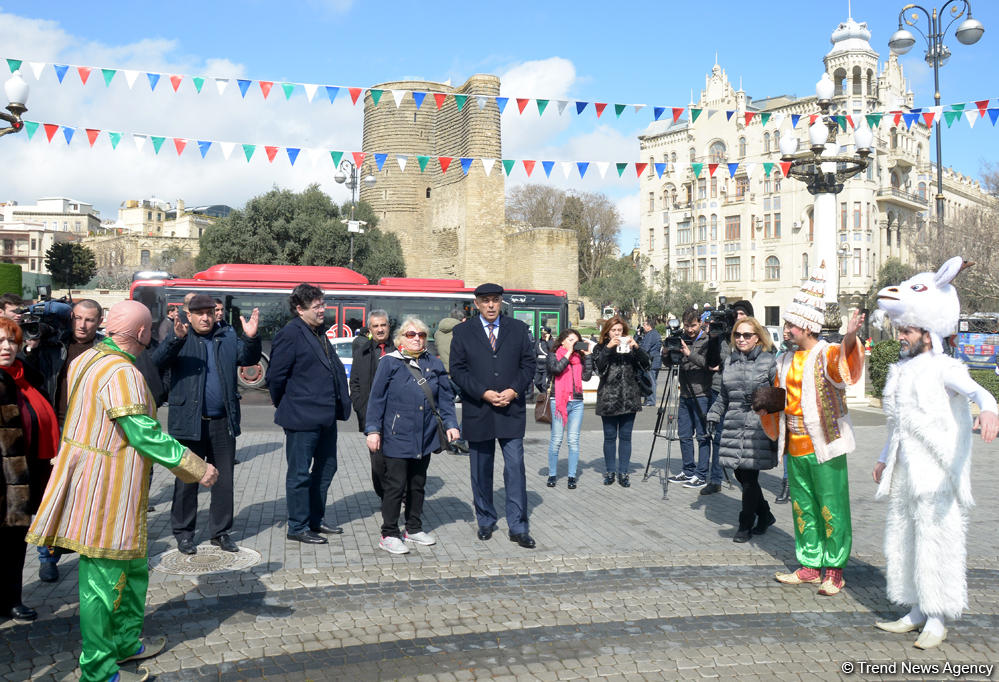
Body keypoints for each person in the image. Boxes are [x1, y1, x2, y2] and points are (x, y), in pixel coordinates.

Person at [26, 300, 218, 682]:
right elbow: (144, 434)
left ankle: (126, 642)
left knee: (132, 570)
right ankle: (98, 671)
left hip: (117, 488)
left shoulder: (87, 359)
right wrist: (197, 467)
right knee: (101, 583)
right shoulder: (122, 373)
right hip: (105, 491)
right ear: (145, 333)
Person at [871, 257, 999, 649]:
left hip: (938, 473)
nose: (902, 335)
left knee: (936, 539)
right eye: (900, 329)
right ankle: (914, 608)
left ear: (927, 333)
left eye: (908, 330)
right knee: (905, 537)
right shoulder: (901, 370)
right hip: (907, 472)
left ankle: (938, 615)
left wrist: (990, 411)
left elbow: (979, 391)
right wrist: (883, 456)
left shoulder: (945, 367)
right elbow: (899, 423)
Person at [765, 266, 865, 597]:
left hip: (825, 444)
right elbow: (779, 397)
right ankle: (810, 564)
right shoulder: (784, 359)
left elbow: (843, 367)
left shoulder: (824, 353)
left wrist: (850, 337)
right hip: (794, 444)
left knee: (832, 506)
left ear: (807, 325)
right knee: (802, 506)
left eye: (791, 325)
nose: (787, 330)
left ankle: (834, 570)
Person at [152, 293, 261, 555]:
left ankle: (220, 532)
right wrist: (174, 340)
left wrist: (251, 337)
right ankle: (184, 533)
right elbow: (157, 363)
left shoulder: (226, 336)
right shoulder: (181, 337)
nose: (205, 317)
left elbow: (247, 358)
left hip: (222, 423)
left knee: (223, 481)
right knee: (187, 479)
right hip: (189, 423)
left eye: (209, 312)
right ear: (188, 315)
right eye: (199, 313)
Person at [449, 283, 537, 548]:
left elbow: (529, 364)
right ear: (476, 304)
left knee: (514, 469)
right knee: (481, 469)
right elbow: (457, 370)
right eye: (485, 300)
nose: (490, 305)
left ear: (501, 303)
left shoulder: (518, 329)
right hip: (480, 410)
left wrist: (513, 390)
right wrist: (483, 393)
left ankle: (518, 526)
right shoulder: (463, 331)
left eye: (495, 300)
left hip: (511, 410)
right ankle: (486, 520)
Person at [365, 317, 459, 554]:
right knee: (395, 486)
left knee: (418, 484)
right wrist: (373, 430)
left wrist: (451, 423)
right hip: (397, 435)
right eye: (411, 334)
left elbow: (445, 398)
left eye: (421, 334)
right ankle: (388, 533)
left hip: (425, 436)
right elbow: (376, 399)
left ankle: (413, 528)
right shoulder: (389, 363)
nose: (417, 338)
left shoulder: (433, 363)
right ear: (400, 339)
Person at [267, 284, 351, 545]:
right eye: (317, 306)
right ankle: (298, 526)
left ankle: (315, 518)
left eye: (322, 304)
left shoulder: (318, 332)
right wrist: (289, 404)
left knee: (327, 467)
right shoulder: (290, 334)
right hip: (301, 417)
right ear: (300, 309)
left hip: (325, 417)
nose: (322, 310)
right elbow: (275, 377)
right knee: (300, 474)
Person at [34, 299, 106, 584]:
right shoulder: (53, 346)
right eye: (77, 318)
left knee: (89, 496)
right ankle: (47, 557)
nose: (82, 325)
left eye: (89, 320)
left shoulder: (105, 351)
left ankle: (91, 551)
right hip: (60, 428)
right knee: (54, 495)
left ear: (99, 321)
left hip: (92, 430)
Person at [0, 318, 58, 623]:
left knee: (14, 546)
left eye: (11, 341)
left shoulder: (26, 375)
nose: (6, 347)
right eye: (0, 342)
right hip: (2, 481)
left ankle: (12, 599)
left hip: (24, 478)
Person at [706, 317, 777, 542]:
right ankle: (764, 514)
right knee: (739, 473)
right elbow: (724, 396)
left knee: (748, 477)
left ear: (758, 337)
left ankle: (745, 524)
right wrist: (713, 414)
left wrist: (764, 407)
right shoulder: (729, 362)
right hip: (733, 425)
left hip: (758, 426)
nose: (742, 339)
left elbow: (778, 396)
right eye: (738, 335)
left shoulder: (768, 361)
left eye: (747, 335)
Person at [591, 316, 650, 488]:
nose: (617, 333)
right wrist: (608, 349)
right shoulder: (601, 347)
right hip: (609, 398)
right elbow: (598, 369)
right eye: (614, 330)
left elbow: (647, 364)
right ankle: (610, 471)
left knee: (626, 437)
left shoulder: (631, 347)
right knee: (609, 437)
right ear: (607, 332)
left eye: (620, 331)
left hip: (629, 398)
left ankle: (623, 472)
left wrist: (637, 348)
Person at [350, 310, 396, 501]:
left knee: (397, 462)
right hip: (373, 417)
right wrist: (362, 410)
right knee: (378, 465)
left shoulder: (399, 349)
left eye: (383, 325)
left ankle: (396, 498)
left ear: (389, 327)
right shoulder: (363, 352)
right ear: (369, 329)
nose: (379, 329)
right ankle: (385, 495)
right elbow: (355, 384)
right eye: (375, 326)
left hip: (397, 417)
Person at [667, 309, 713, 489]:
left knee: (702, 436)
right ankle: (688, 471)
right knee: (684, 435)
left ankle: (701, 474)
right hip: (684, 393)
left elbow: (708, 364)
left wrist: (688, 353)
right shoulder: (681, 337)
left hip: (702, 393)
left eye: (693, 325)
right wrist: (667, 351)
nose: (690, 330)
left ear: (700, 323)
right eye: (687, 326)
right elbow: (670, 364)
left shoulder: (708, 340)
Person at [545, 329, 593, 489]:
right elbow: (557, 369)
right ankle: (552, 474)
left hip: (577, 402)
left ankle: (571, 476)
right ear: (563, 341)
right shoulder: (554, 354)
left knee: (573, 440)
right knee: (557, 439)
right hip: (558, 400)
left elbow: (586, 377)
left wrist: (588, 356)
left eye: (576, 340)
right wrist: (569, 353)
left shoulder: (579, 358)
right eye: (571, 340)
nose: (574, 343)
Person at [639, 320, 662, 407]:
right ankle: (648, 400)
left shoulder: (651, 334)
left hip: (651, 361)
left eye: (644, 325)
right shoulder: (655, 334)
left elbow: (645, 348)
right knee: (651, 381)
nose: (643, 327)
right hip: (655, 361)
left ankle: (650, 400)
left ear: (649, 326)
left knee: (651, 381)